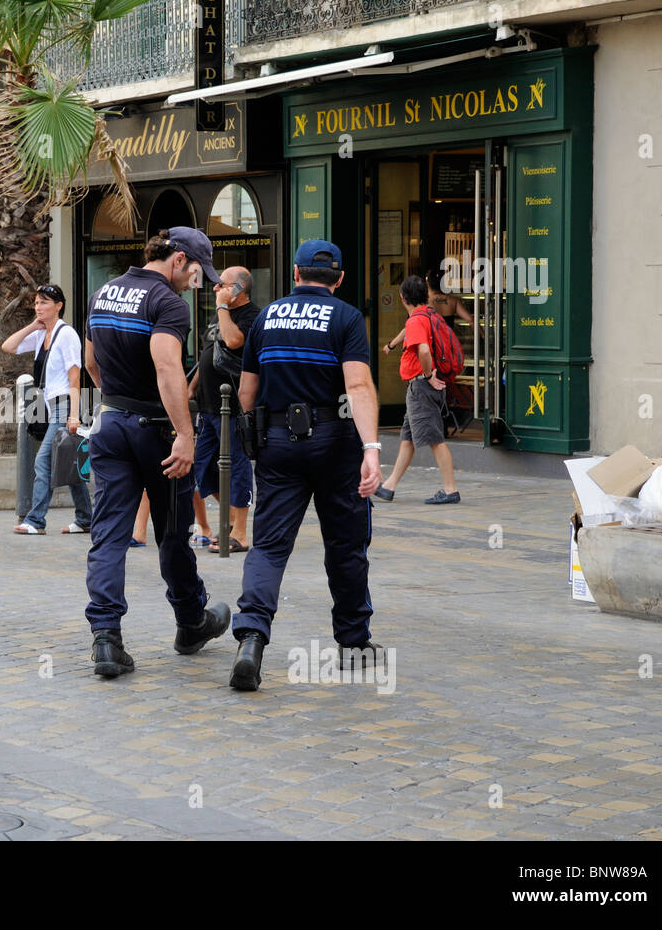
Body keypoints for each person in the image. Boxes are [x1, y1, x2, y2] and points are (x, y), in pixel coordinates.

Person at [230, 239, 384, 691]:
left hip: (277, 442)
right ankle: (354, 643)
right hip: (335, 444)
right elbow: (357, 386)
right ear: (338, 279)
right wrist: (371, 448)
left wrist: (258, 440)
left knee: (270, 546)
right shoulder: (348, 317)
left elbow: (245, 393)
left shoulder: (266, 316)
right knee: (345, 545)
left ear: (295, 275)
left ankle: (252, 637)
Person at [82, 227, 231, 677]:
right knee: (172, 531)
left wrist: (119, 403)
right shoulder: (167, 304)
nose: (195, 281)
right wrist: (185, 435)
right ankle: (190, 622)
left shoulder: (104, 292)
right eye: (195, 272)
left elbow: (92, 363)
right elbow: (168, 367)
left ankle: (106, 638)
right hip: (157, 430)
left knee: (108, 532)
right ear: (178, 259)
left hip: (110, 423)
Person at [4, 283, 93, 535]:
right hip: (47, 406)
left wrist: (74, 414)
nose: (38, 306)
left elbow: (75, 377)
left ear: (59, 306)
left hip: (64, 406)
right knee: (71, 462)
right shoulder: (43, 335)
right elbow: (8, 347)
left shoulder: (66, 335)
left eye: (44, 302)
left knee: (43, 462)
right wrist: (33, 325)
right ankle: (86, 518)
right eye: (36, 302)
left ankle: (36, 521)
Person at [188, 266, 261, 553]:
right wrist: (190, 388)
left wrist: (221, 307)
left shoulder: (251, 315)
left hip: (232, 407)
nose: (216, 289)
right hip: (207, 406)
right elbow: (210, 352)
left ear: (239, 289)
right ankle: (230, 518)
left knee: (238, 466)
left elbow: (232, 341)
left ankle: (240, 532)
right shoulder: (222, 315)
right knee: (200, 469)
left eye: (222, 285)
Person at [375, 275, 460, 505]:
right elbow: (408, 330)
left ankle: (450, 490)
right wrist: (392, 345)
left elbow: (423, 350)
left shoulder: (416, 321)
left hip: (422, 387)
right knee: (408, 438)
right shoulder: (428, 314)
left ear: (402, 298)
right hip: (419, 389)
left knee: (435, 439)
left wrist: (427, 375)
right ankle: (389, 486)